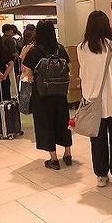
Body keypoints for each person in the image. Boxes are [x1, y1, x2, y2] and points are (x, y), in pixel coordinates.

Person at [78, 11, 112, 187]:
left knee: (97, 141)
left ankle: (101, 175)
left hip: (93, 103)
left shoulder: (81, 48)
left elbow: (83, 74)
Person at [22, 21, 73, 170]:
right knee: (63, 122)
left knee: (46, 124)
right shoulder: (60, 49)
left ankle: (53, 159)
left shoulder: (34, 51)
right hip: (60, 94)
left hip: (42, 95)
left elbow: (28, 74)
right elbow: (68, 68)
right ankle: (68, 154)